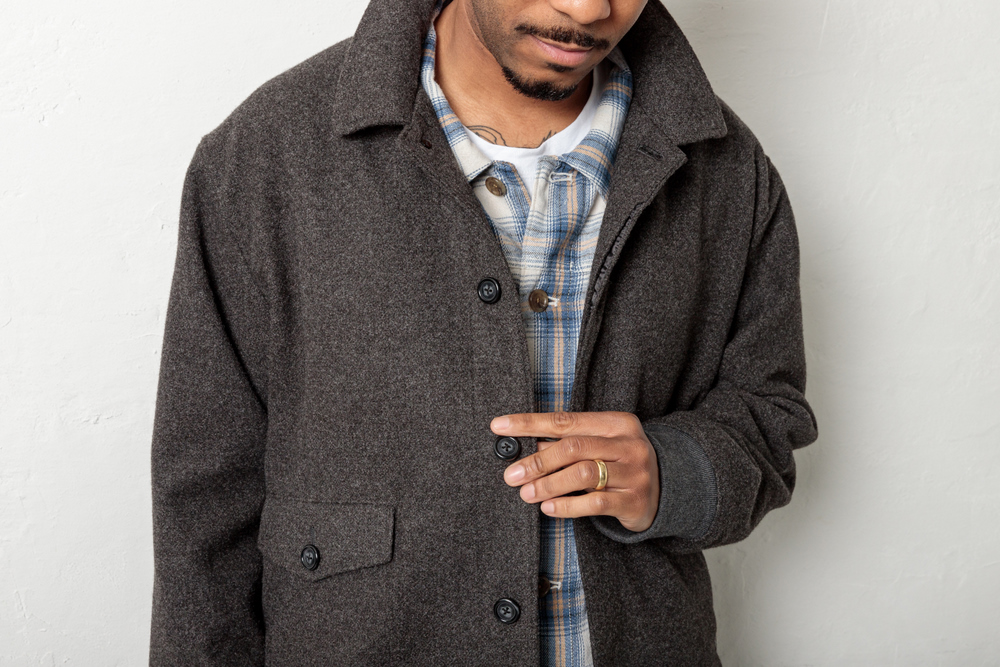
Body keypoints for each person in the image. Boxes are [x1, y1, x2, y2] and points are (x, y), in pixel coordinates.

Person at [148, 0, 818, 664]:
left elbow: (769, 414)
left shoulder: (729, 168)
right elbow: (204, 503)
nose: (587, 9)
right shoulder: (265, 159)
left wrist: (673, 472)